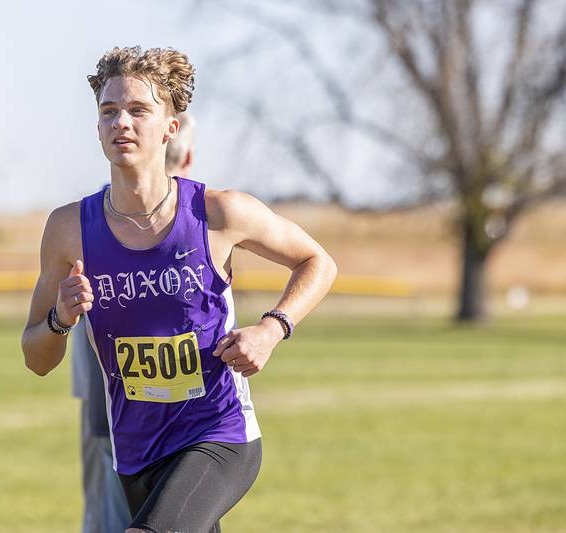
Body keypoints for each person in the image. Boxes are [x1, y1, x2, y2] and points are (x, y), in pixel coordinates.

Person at [22, 46, 337, 533]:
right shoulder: (68, 229)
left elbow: (318, 261)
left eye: (138, 110)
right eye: (109, 111)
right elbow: (36, 358)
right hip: (136, 453)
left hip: (218, 434)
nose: (121, 122)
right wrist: (60, 320)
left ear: (171, 125)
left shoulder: (218, 214)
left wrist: (272, 331)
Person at [71, 111, 196, 533]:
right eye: (109, 113)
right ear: (190, 155)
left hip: (142, 429)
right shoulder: (206, 221)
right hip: (157, 430)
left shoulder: (94, 227)